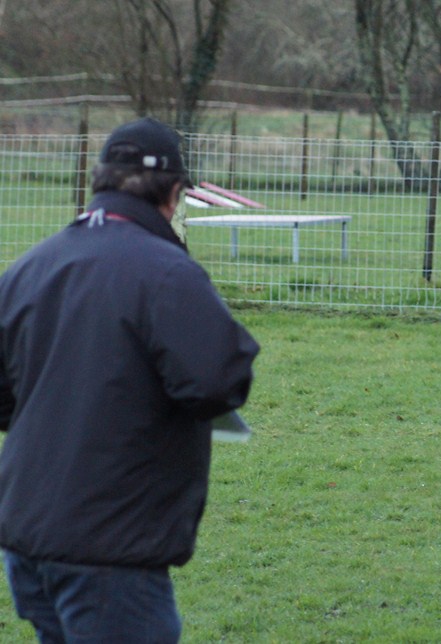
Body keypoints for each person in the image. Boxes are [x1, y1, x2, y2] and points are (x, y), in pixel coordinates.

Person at [0, 117, 260, 642]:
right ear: (174, 194)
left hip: (27, 536)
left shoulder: (28, 268)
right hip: (109, 546)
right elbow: (217, 381)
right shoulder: (165, 271)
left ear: (99, 180)